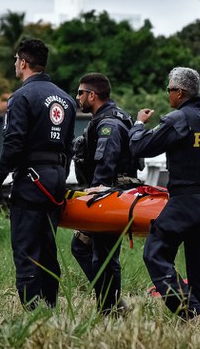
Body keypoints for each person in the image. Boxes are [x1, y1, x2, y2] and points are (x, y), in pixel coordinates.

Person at [129, 67, 200, 319]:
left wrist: (138, 124)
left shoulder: (178, 119)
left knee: (155, 252)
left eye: (169, 90)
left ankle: (191, 309)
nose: (168, 95)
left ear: (180, 92)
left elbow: (140, 147)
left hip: (184, 202)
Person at [0, 38, 77, 310]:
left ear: (23, 63)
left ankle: (33, 313)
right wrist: (61, 174)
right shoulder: (67, 99)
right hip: (56, 180)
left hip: (31, 181)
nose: (15, 64)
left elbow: (13, 144)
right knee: (48, 249)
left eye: (16, 60)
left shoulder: (21, 97)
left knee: (26, 251)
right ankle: (51, 307)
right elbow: (69, 146)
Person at [70, 73, 138, 315]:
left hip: (110, 197)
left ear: (92, 95)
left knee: (104, 256)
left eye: (80, 92)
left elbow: (105, 162)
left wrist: (94, 197)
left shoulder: (109, 123)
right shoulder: (106, 117)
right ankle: (112, 304)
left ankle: (111, 308)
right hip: (108, 195)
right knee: (82, 247)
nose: (77, 97)